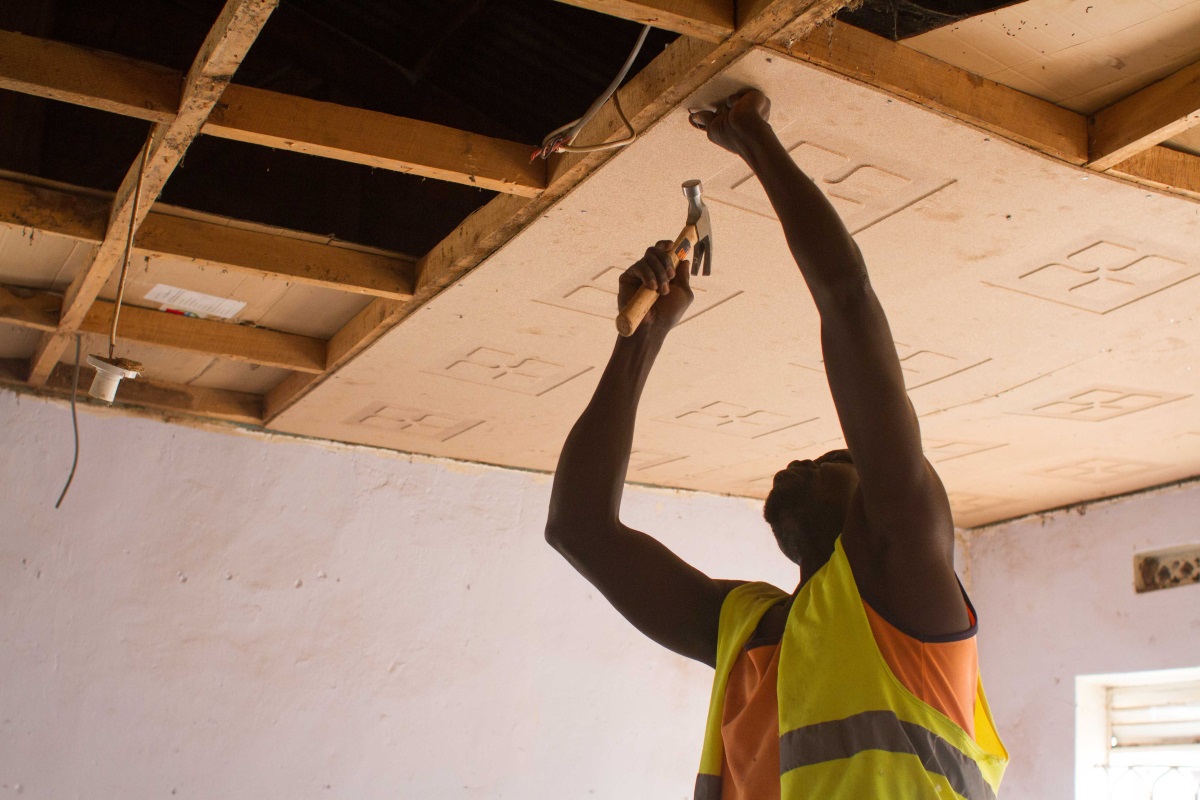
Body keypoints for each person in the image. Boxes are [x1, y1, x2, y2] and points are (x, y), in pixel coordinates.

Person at [544, 90, 1009, 799]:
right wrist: (751, 139)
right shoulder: (874, 610)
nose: (806, 461)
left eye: (831, 462)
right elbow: (849, 300)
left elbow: (576, 529)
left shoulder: (859, 591)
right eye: (832, 459)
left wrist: (644, 333)